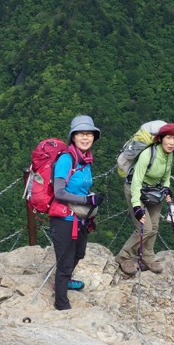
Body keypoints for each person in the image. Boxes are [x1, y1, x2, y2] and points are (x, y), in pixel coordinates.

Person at [115, 123, 174, 275]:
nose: (172, 142)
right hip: (136, 189)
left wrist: (167, 188)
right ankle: (124, 256)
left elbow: (167, 172)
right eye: (168, 138)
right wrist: (136, 207)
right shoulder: (148, 154)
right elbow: (136, 181)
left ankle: (147, 256)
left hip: (155, 191)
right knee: (144, 228)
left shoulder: (173, 153)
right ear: (161, 138)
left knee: (154, 227)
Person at [49, 115, 104, 311]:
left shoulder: (86, 159)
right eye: (81, 134)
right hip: (63, 218)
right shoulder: (66, 159)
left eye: (89, 134)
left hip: (80, 217)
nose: (85, 137)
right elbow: (59, 192)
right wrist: (86, 201)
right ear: (73, 137)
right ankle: (61, 304)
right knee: (65, 260)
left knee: (79, 253)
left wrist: (90, 201)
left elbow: (80, 187)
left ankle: (65, 281)